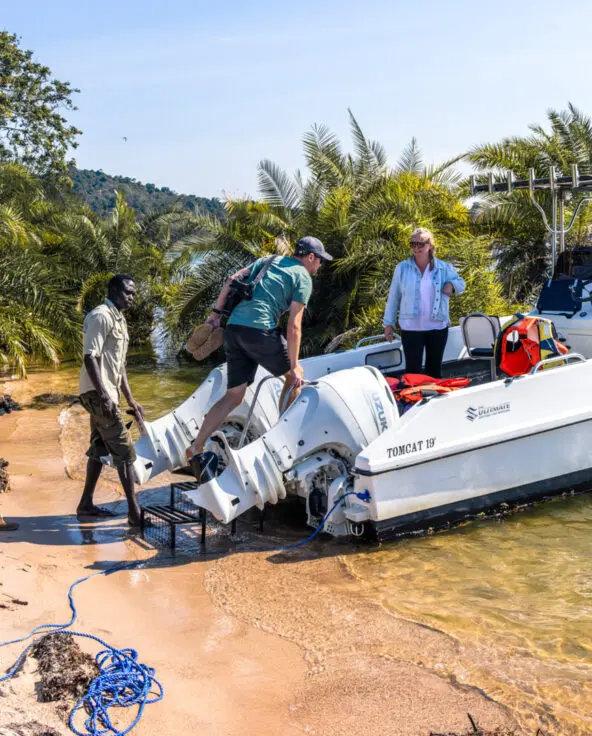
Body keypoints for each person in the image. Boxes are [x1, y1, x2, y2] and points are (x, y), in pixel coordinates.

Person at [187, 236, 333, 481]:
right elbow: (294, 325)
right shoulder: (303, 277)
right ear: (310, 257)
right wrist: (295, 366)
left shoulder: (269, 260)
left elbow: (231, 280)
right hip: (259, 332)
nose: (319, 266)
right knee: (294, 379)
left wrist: (214, 315)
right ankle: (280, 444)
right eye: (319, 261)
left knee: (234, 395)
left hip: (233, 330)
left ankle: (196, 446)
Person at [77, 274, 145, 527]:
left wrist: (131, 399)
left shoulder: (119, 320)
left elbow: (119, 366)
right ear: (115, 290)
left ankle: (85, 504)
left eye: (133, 293)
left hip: (105, 396)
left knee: (98, 449)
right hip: (98, 395)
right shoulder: (100, 316)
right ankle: (134, 514)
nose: (132, 297)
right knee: (125, 453)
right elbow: (90, 357)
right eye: (128, 292)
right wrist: (104, 395)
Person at [383, 228, 465, 378]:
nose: (416, 248)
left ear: (430, 246)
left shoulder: (443, 268)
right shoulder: (402, 268)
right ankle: (414, 401)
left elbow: (461, 284)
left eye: (420, 244)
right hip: (411, 329)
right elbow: (393, 297)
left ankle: (433, 400)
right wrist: (388, 324)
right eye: (413, 244)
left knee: (433, 372)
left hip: (437, 328)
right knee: (412, 374)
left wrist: (452, 286)